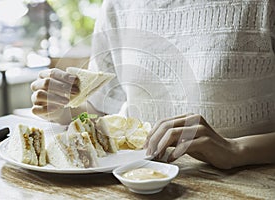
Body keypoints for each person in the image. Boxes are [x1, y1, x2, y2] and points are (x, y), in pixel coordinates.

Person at [31, 0, 275, 169]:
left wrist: (236, 150)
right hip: (134, 179)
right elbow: (103, 109)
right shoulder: (118, 5)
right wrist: (61, 108)